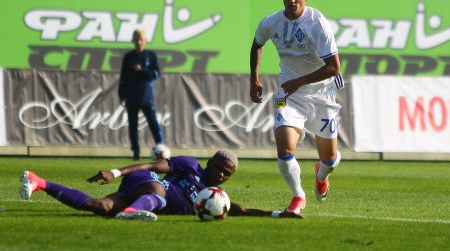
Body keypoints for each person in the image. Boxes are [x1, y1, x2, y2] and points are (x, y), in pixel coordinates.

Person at [249, 0, 344, 214]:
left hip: (322, 95)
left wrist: (299, 81)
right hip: (288, 95)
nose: (293, 0)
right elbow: (257, 44)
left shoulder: (317, 23)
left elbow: (334, 68)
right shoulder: (271, 22)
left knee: (329, 160)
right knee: (284, 146)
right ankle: (298, 196)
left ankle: (321, 175)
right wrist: (254, 78)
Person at [20, 150, 302, 220]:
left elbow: (240, 209)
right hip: (147, 184)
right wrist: (117, 172)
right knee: (160, 193)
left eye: (226, 174)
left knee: (100, 206)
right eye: (218, 168)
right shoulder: (190, 165)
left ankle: (38, 181)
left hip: (141, 195)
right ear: (210, 162)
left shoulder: (216, 197)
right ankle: (132, 213)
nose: (220, 175)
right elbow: (153, 166)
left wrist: (278, 214)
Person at [119, 29, 169, 160]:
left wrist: (142, 70)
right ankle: (136, 152)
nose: (139, 42)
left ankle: (161, 149)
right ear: (133, 41)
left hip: (147, 97)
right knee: (133, 125)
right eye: (137, 39)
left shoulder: (150, 55)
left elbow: (156, 74)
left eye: (141, 39)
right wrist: (122, 95)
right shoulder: (128, 57)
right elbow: (123, 78)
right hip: (132, 97)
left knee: (153, 123)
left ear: (145, 41)